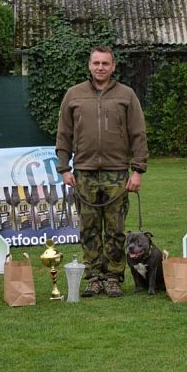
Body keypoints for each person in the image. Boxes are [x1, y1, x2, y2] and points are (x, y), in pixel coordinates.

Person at [55, 46, 148, 298]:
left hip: (117, 173)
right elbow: (63, 134)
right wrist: (64, 168)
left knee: (116, 229)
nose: (100, 67)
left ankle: (114, 277)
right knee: (89, 229)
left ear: (113, 66)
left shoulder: (126, 95)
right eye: (96, 63)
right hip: (83, 173)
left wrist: (137, 170)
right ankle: (94, 277)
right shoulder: (73, 95)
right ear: (89, 65)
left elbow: (138, 134)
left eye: (105, 63)